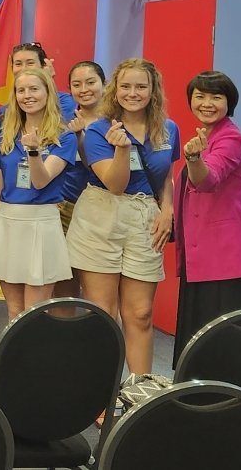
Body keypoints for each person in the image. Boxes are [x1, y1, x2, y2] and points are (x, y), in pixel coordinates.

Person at [67, 57, 178, 377]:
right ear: (115, 90)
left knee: (141, 313)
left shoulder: (168, 128)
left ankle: (138, 391)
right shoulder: (101, 130)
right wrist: (121, 150)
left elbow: (165, 175)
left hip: (146, 217)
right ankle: (103, 393)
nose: (133, 93)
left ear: (153, 90)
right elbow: (115, 185)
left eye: (141, 86)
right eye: (126, 86)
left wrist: (168, 210)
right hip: (102, 214)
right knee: (105, 313)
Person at [172, 71, 241, 365]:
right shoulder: (206, 136)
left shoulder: (230, 138)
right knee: (200, 344)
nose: (207, 103)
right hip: (200, 258)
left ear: (228, 102)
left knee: (226, 348)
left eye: (216, 97)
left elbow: (208, 181)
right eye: (200, 96)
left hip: (226, 260)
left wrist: (194, 160)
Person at [0, 67, 77, 319]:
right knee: (14, 311)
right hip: (7, 222)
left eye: (34, 89)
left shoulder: (63, 137)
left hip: (41, 224)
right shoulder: (6, 134)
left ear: (48, 93)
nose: (27, 95)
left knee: (34, 313)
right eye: (21, 90)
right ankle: (15, 360)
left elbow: (41, 180)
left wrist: (34, 152)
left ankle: (37, 359)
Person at [56, 60, 107, 300]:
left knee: (99, 286)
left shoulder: (115, 123)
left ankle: (103, 336)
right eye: (76, 84)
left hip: (102, 210)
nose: (84, 89)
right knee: (64, 283)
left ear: (104, 85)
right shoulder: (62, 121)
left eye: (90, 82)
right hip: (65, 207)